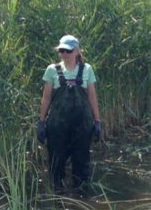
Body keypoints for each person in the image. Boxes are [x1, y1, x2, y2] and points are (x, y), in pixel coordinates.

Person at [37, 35, 102, 193]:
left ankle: (81, 198)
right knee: (56, 163)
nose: (64, 54)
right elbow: (46, 98)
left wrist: (97, 121)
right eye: (61, 50)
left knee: (81, 164)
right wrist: (41, 122)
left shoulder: (87, 69)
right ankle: (58, 198)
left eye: (68, 50)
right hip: (57, 126)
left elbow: (92, 96)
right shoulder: (52, 70)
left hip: (82, 126)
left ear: (77, 51)